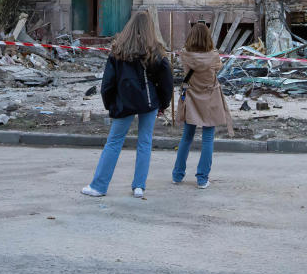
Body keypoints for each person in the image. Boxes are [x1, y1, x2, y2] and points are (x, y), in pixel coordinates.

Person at [82, 11, 174, 199]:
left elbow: (108, 82)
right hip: (149, 102)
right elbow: (167, 82)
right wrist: (163, 104)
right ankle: (139, 186)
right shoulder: (155, 51)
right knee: (145, 142)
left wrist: (110, 105)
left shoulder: (118, 50)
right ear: (150, 28)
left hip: (124, 103)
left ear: (130, 26)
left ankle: (99, 186)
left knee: (114, 142)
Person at [171, 21, 233, 189]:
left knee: (186, 137)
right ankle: (202, 178)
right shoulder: (213, 56)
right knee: (208, 139)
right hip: (210, 98)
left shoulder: (185, 55)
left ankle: (177, 175)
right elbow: (217, 68)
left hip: (191, 97)